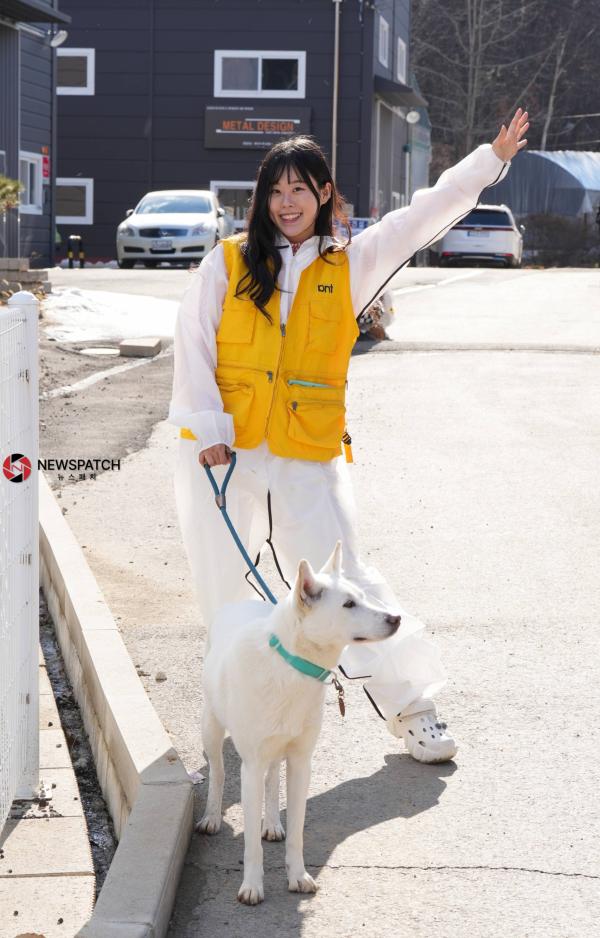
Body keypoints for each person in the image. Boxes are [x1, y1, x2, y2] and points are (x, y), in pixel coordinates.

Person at [169, 108, 529, 764]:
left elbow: (420, 215)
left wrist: (490, 160)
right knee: (224, 595)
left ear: (324, 194)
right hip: (228, 453)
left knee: (349, 584)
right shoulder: (226, 265)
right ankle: (233, 722)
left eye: (300, 190)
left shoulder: (350, 263)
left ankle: (414, 708)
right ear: (262, 199)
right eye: (275, 192)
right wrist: (208, 431)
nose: (286, 203)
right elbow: (191, 343)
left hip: (308, 454)